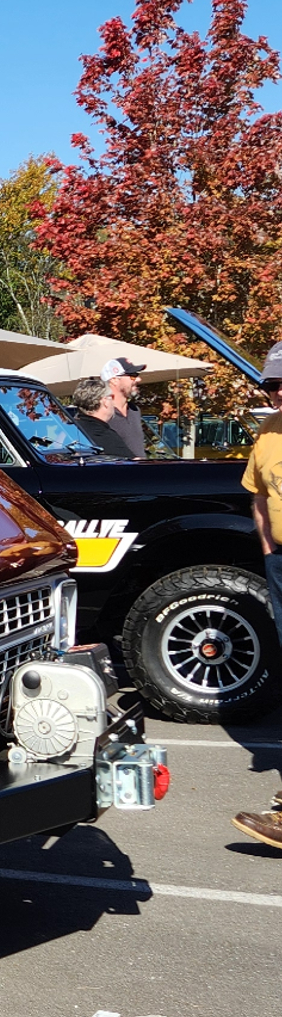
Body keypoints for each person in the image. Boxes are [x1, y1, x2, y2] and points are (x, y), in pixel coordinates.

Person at [230, 343, 282, 851]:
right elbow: (259, 494)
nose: (279, 392)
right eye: (272, 385)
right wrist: (268, 549)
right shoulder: (268, 432)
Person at [87, 357, 148, 458]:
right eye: (133, 376)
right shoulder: (99, 412)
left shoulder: (135, 410)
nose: (138, 379)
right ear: (114, 380)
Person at [70, 378, 135, 458]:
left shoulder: (69, 430)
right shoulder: (105, 435)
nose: (114, 402)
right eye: (112, 397)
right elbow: (133, 464)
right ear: (105, 401)